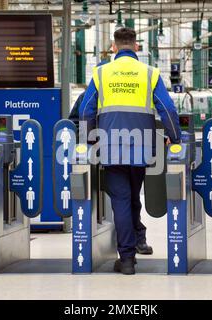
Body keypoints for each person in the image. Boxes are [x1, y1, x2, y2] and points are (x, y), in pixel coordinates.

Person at [79, 27, 181, 275]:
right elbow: (167, 109)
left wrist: (88, 140)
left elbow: (85, 111)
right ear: (136, 46)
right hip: (142, 147)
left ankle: (126, 259)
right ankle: (134, 244)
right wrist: (174, 137)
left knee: (121, 201)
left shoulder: (101, 73)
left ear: (114, 47)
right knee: (134, 197)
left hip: (110, 147)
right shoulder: (150, 73)